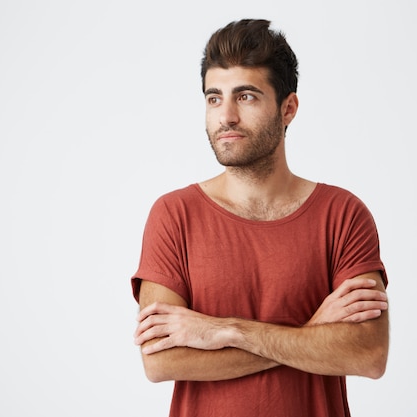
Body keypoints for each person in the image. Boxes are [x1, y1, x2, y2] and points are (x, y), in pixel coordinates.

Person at [131, 18, 389, 417]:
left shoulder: (343, 215)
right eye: (214, 97)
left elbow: (367, 354)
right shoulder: (174, 216)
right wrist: (310, 333)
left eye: (246, 96)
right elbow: (161, 361)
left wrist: (223, 331)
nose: (226, 116)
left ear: (288, 108)